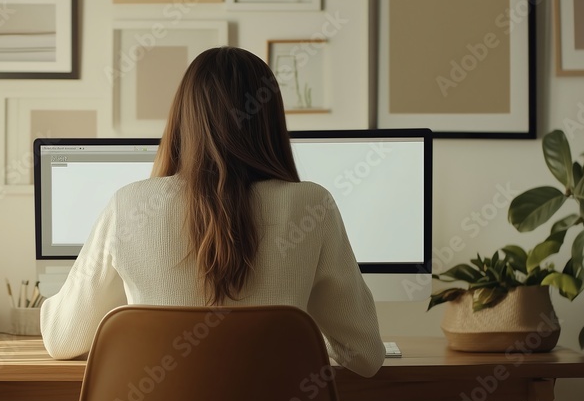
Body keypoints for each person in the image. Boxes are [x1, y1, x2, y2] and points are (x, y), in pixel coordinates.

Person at [40, 46, 385, 377]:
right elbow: (365, 356)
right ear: (270, 120)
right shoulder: (312, 206)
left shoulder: (129, 205)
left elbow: (61, 339)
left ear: (181, 120)